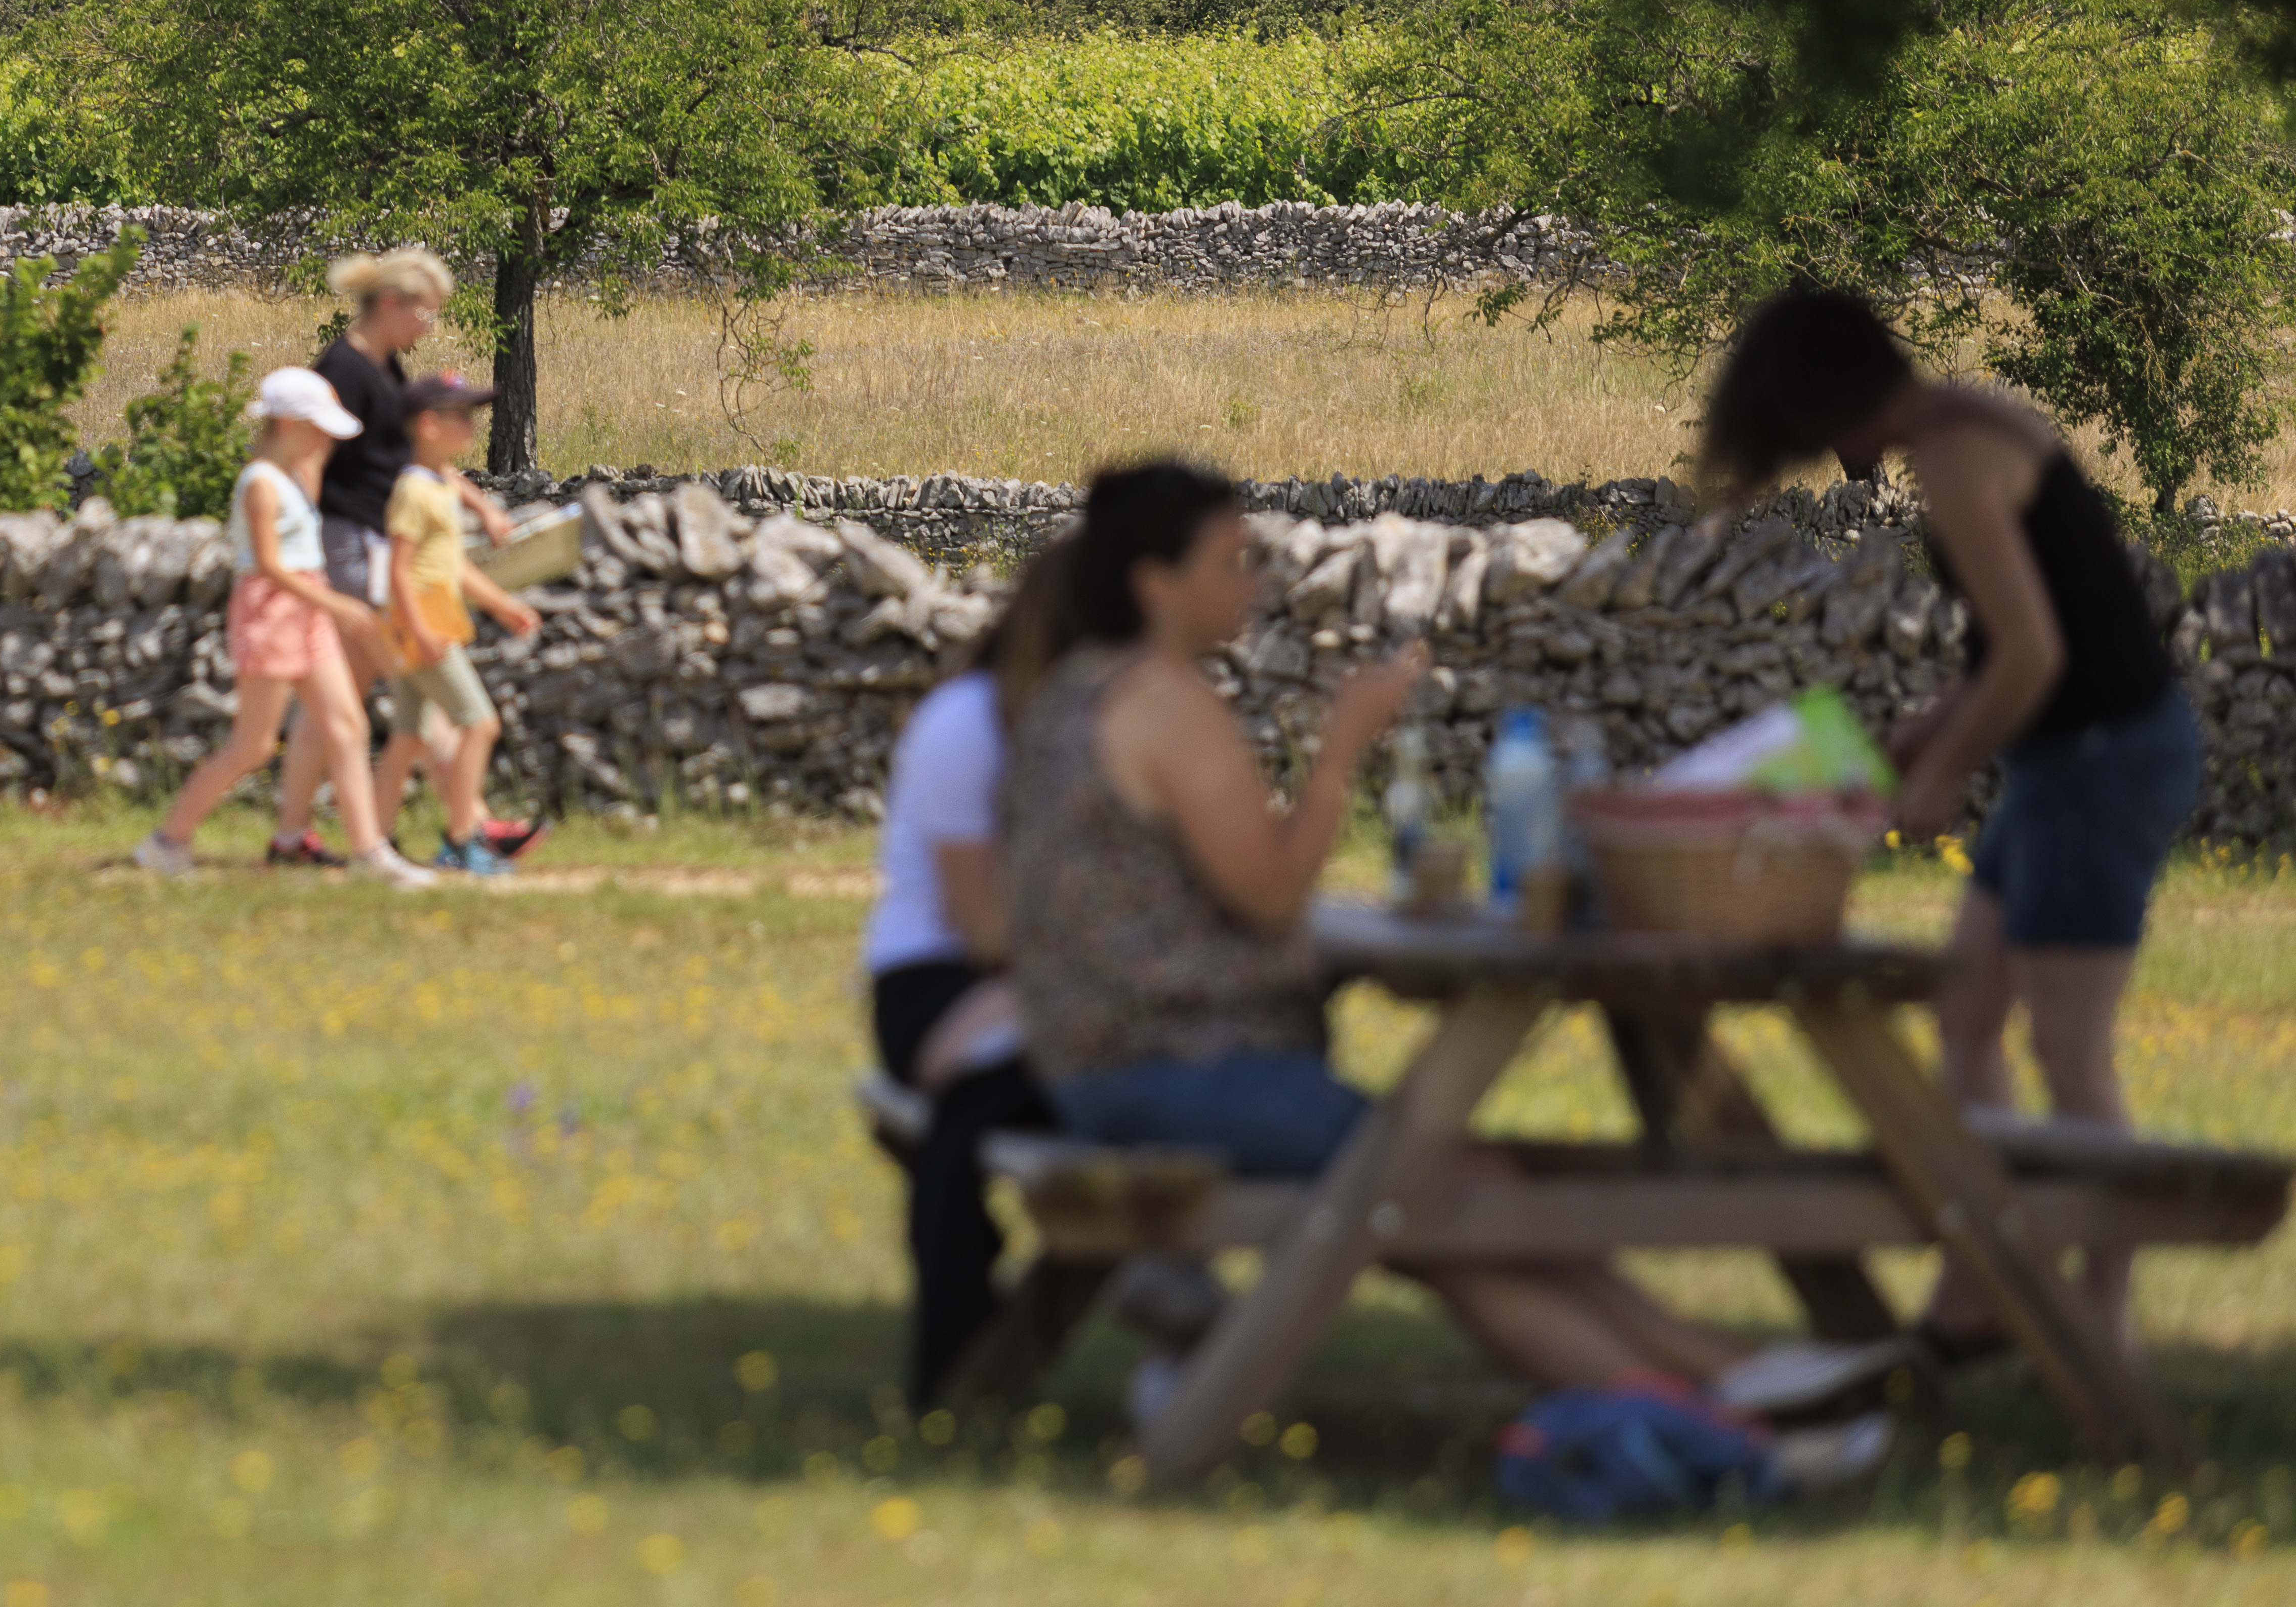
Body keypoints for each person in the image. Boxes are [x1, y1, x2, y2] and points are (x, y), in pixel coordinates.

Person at [1000, 460, 1898, 1444]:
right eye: (1228, 561)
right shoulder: (1166, 703)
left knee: (1454, 1201)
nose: (1251, 581)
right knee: (1452, 1190)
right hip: (1181, 1071)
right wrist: (1341, 746)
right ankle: (1728, 1404)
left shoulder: (1074, 693)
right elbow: (1269, 894)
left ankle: (1731, 1384)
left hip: (1104, 1064)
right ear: (1153, 582)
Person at [1699, 286, 2201, 1359]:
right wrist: (1915, 735)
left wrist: (1939, 777)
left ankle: (2098, 1322)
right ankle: (1984, 1281)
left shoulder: (1955, 453)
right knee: (1967, 1015)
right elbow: (2018, 643)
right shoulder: (1961, 423)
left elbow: (2034, 655)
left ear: (1828, 398)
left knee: (2068, 1046)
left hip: (2105, 760)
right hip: (2064, 759)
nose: (1819, 453)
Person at [861, 543, 1077, 1403]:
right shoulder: (970, 725)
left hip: (1018, 983)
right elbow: (982, 927)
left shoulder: (1071, 727)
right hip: (942, 981)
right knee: (1004, 1088)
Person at [271, 248, 539, 867]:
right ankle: (465, 828)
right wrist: (303, 539)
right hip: (349, 544)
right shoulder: (343, 369)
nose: (429, 324)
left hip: (370, 542)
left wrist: (478, 504)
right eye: (425, 311)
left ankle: (298, 836)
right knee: (387, 684)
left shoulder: (383, 365)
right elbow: (311, 457)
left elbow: (412, 457)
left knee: (356, 697)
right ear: (390, 303)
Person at [128, 368, 439, 887]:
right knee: (252, 746)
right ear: (290, 424)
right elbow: (269, 567)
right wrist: (337, 605)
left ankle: (369, 852)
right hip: (272, 612)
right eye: (318, 429)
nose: (326, 440)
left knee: (348, 726)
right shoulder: (260, 484)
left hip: (307, 609)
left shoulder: (291, 476)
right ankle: (166, 842)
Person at [369, 373, 546, 876]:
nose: (472, 426)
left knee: (407, 736)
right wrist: (421, 631)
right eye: (462, 417)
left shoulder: (436, 485)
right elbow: (399, 571)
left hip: (422, 626)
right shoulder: (414, 491)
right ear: (428, 425)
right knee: (479, 723)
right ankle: (461, 838)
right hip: (424, 629)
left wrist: (501, 604)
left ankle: (372, 842)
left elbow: (452, 566)